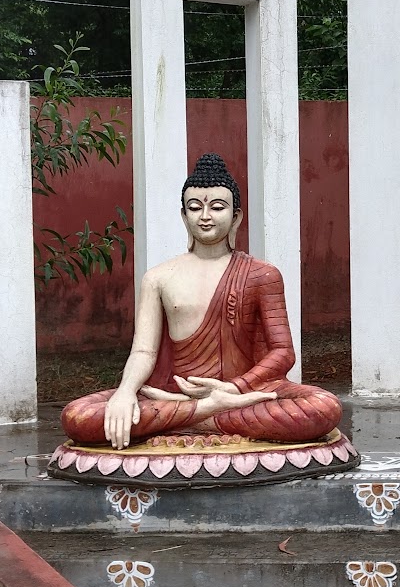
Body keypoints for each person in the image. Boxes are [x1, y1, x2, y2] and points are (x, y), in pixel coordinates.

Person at [60, 153, 343, 450]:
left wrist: (234, 387)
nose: (205, 216)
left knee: (323, 407)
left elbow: (283, 352)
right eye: (195, 208)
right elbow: (144, 350)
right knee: (78, 416)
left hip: (241, 394)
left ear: (236, 217)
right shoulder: (158, 277)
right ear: (184, 216)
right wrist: (125, 392)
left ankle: (186, 419)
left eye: (217, 207)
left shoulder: (262, 274)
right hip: (176, 394)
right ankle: (207, 412)